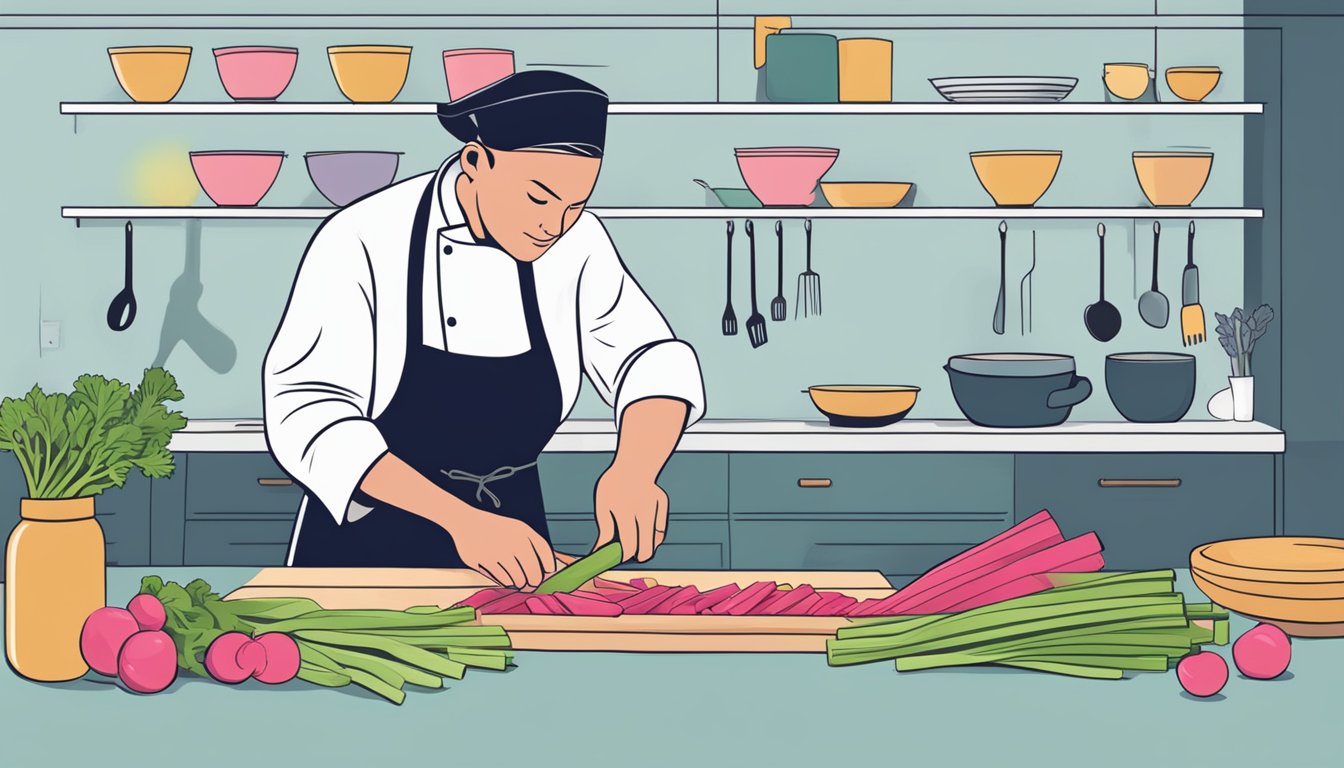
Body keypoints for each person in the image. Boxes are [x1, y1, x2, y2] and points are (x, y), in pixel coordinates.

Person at [262, 71, 705, 589]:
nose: (554, 225)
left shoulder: (576, 242)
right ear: (475, 161)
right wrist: (461, 522)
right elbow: (309, 413)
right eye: (538, 198)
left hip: (516, 551)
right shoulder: (362, 238)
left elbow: (649, 356)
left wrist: (634, 468)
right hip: (367, 549)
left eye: (576, 204)